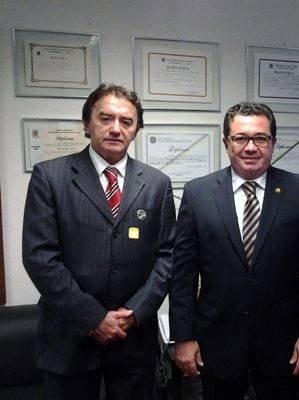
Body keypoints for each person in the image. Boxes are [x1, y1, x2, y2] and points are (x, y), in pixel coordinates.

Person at [22, 83, 176, 400]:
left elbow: (167, 256)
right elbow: (40, 258)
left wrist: (135, 312)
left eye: (126, 121)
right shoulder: (50, 177)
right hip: (69, 338)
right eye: (105, 118)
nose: (116, 128)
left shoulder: (157, 184)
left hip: (133, 341)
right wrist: (93, 319)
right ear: (87, 124)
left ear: (136, 130)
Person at [169, 101, 299, 400]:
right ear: (226, 143)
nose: (251, 147)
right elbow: (183, 275)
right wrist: (183, 337)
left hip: (283, 343)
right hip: (218, 340)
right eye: (241, 138)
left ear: (273, 143)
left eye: (260, 138)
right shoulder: (198, 193)